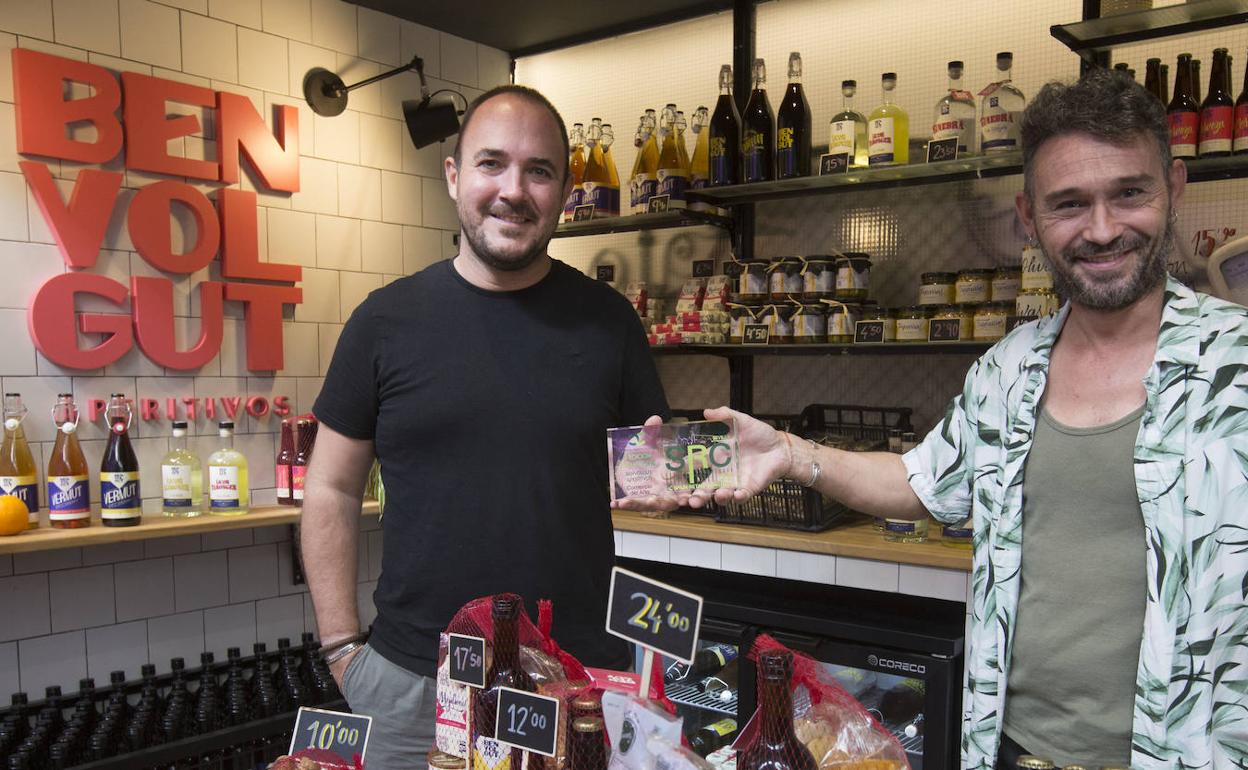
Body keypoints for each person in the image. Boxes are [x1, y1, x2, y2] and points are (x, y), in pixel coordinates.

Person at [617, 69, 1248, 769]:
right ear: (1029, 218)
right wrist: (792, 454)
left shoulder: (1237, 368)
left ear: (1176, 188)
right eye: (1069, 204)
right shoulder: (1011, 369)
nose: (1102, 229)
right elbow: (920, 482)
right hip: (1013, 751)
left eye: (1129, 193)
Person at [303, 85, 670, 770]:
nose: (513, 190)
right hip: (413, 687)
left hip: (575, 683)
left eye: (539, 170)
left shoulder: (610, 323)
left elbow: (645, 475)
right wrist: (341, 650)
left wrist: (695, 469)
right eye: (491, 164)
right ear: (453, 176)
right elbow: (329, 489)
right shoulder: (384, 323)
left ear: (563, 190)